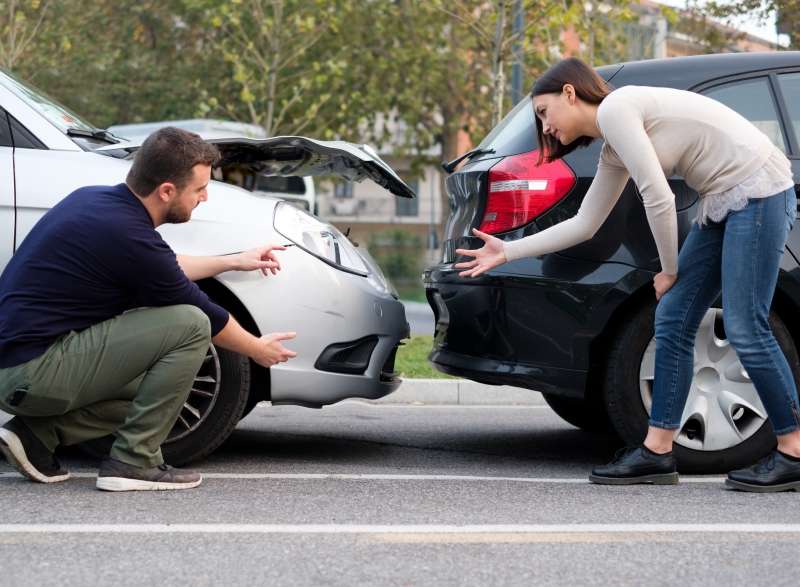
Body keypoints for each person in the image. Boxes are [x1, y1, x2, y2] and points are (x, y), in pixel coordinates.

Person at [455, 57, 800, 492]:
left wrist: (668, 270)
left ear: (569, 92)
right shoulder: (614, 145)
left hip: (759, 191)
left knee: (745, 323)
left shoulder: (618, 109)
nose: (545, 127)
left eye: (544, 112)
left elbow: (656, 196)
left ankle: (793, 450)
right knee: (673, 316)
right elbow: (586, 223)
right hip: (724, 200)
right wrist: (508, 250)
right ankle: (657, 451)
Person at [0, 127, 297, 492]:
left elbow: (164, 264)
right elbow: (207, 313)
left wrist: (236, 261)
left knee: (161, 389)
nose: (204, 197)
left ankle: (34, 436)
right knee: (190, 323)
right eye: (199, 189)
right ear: (167, 191)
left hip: (19, 368)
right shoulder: (128, 235)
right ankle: (133, 461)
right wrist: (257, 349)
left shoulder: (94, 202)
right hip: (32, 372)